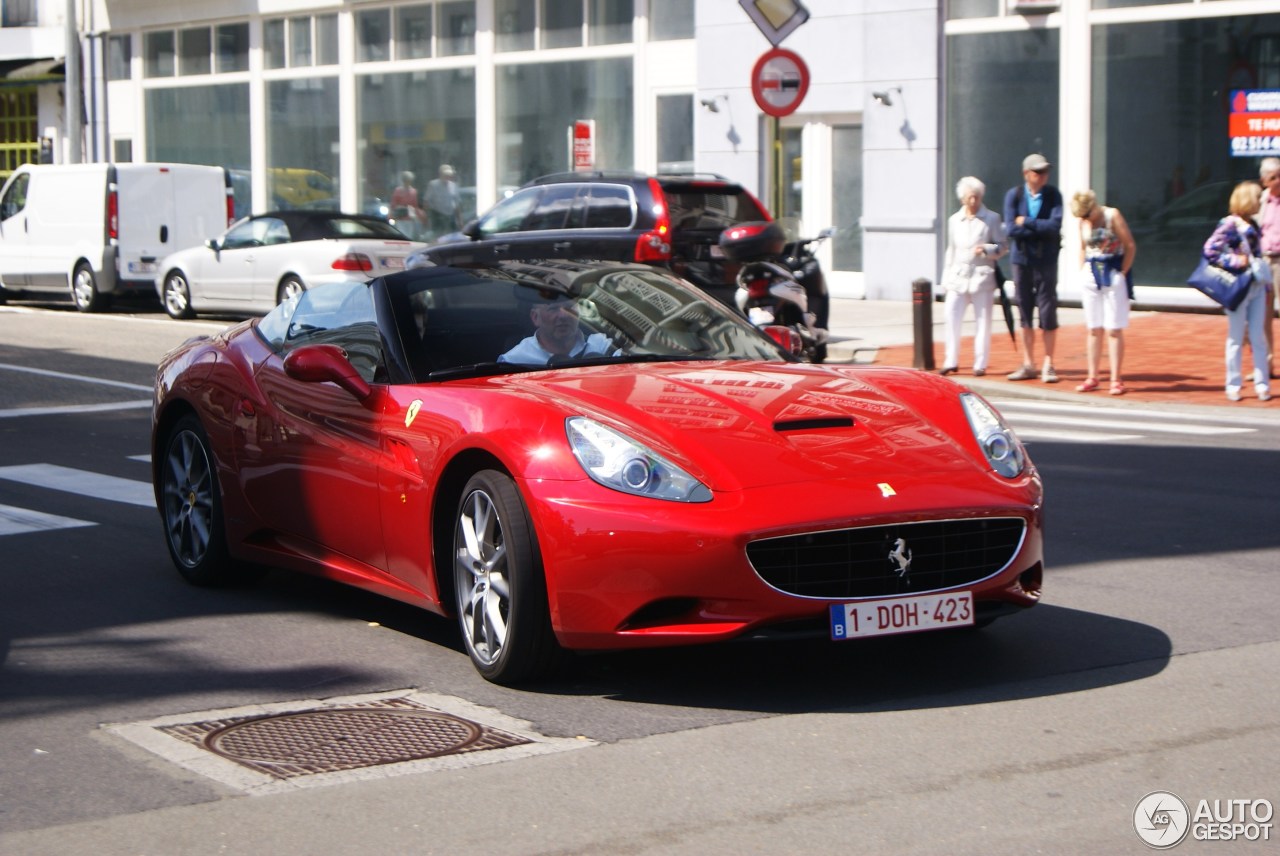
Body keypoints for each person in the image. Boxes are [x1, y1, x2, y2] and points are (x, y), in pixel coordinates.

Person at [1202, 181, 1272, 402]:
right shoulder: (1229, 224)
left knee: (1257, 336)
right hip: (1238, 285)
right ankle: (1233, 383)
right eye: (1257, 197)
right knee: (1235, 337)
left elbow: (1258, 253)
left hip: (1256, 284)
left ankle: (1262, 384)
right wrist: (1234, 260)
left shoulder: (1254, 223)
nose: (1260, 202)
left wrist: (1266, 283)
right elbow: (1210, 250)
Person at [1003, 153, 1065, 383]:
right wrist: (1036, 228)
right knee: (1024, 308)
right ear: (1026, 174)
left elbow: (1055, 225)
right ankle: (1028, 363)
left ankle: (1049, 362)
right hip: (1022, 260)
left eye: (1045, 171)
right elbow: (1011, 228)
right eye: (1038, 172)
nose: (1043, 176)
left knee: (1048, 309)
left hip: (1046, 260)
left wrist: (1026, 222)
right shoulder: (1015, 195)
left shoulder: (1053, 195)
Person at [1069, 190, 1136, 395]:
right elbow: (1083, 247)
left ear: (1094, 207)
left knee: (1114, 329)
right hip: (1091, 274)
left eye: (1087, 215)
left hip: (1112, 271)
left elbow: (1130, 245)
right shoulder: (1083, 222)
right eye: (1081, 217)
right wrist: (1081, 270)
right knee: (1093, 328)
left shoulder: (1111, 216)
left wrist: (1122, 273)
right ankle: (1093, 376)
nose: (1085, 219)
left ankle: (1116, 378)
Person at [939, 176, 1005, 378]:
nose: (974, 202)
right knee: (951, 315)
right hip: (959, 276)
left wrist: (986, 249)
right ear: (962, 199)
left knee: (983, 320)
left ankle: (980, 363)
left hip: (981, 276)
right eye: (970, 198)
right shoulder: (954, 220)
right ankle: (951, 359)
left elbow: (1002, 246)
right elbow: (951, 250)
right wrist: (946, 279)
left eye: (976, 197)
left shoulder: (991, 219)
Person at [499, 292, 613, 365]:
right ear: (535, 317)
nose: (564, 316)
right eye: (553, 309)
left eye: (569, 307)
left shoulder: (602, 347)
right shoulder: (514, 361)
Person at [1257, 157, 1280, 379]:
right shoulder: (1261, 200)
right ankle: (1266, 364)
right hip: (1264, 260)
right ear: (1264, 180)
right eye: (1273, 177)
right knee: (1263, 315)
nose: (1277, 181)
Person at [424, 164, 462, 238]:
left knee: (452, 237)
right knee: (438, 237)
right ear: (440, 174)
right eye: (445, 175)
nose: (447, 177)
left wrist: (460, 220)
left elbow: (457, 204)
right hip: (437, 216)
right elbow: (427, 201)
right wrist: (427, 217)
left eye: (449, 175)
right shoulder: (433, 185)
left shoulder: (453, 186)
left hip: (451, 216)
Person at [389, 171, 421, 239]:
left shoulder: (414, 191)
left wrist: (417, 215)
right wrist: (391, 213)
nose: (408, 182)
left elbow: (415, 205)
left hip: (409, 216)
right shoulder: (398, 190)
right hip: (400, 215)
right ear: (403, 181)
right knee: (401, 234)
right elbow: (393, 203)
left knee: (409, 236)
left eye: (409, 180)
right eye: (406, 180)